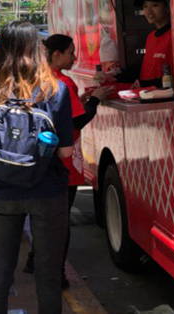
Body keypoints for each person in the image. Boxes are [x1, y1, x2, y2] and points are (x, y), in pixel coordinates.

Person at [0, 22, 74, 314]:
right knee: (48, 274)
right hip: (47, 190)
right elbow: (66, 150)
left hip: (0, 189)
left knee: (0, 271)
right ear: (38, 49)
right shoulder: (56, 90)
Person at [42, 34, 111, 288]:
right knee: (60, 223)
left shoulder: (39, 78)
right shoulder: (63, 82)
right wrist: (96, 99)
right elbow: (76, 122)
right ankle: (56, 274)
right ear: (57, 54)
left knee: (47, 219)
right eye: (71, 52)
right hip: (64, 160)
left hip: (43, 162)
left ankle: (36, 262)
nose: (75, 57)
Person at [138, 0, 172, 87]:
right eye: (145, 6)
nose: (149, 11)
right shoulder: (150, 37)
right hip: (147, 95)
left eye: (155, 5)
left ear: (167, 8)